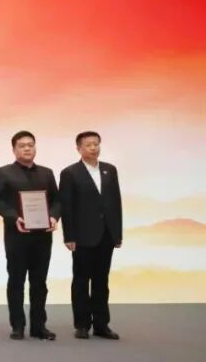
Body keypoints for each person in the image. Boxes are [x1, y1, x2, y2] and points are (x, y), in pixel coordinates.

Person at [0, 131, 60, 340]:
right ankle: (17, 325)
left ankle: (39, 326)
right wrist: (14, 217)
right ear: (14, 149)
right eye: (22, 145)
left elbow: (57, 200)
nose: (27, 148)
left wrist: (54, 216)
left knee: (40, 282)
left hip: (42, 236)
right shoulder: (4, 172)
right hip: (16, 235)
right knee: (16, 281)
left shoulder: (46, 173)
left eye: (31, 144)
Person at [59, 131, 122, 340]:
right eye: (88, 145)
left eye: (96, 144)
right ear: (79, 148)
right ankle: (82, 324)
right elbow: (67, 207)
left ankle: (102, 325)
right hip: (82, 236)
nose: (93, 148)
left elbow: (115, 202)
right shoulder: (70, 173)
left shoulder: (110, 170)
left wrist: (117, 233)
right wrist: (69, 236)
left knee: (101, 281)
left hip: (106, 234)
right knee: (81, 280)